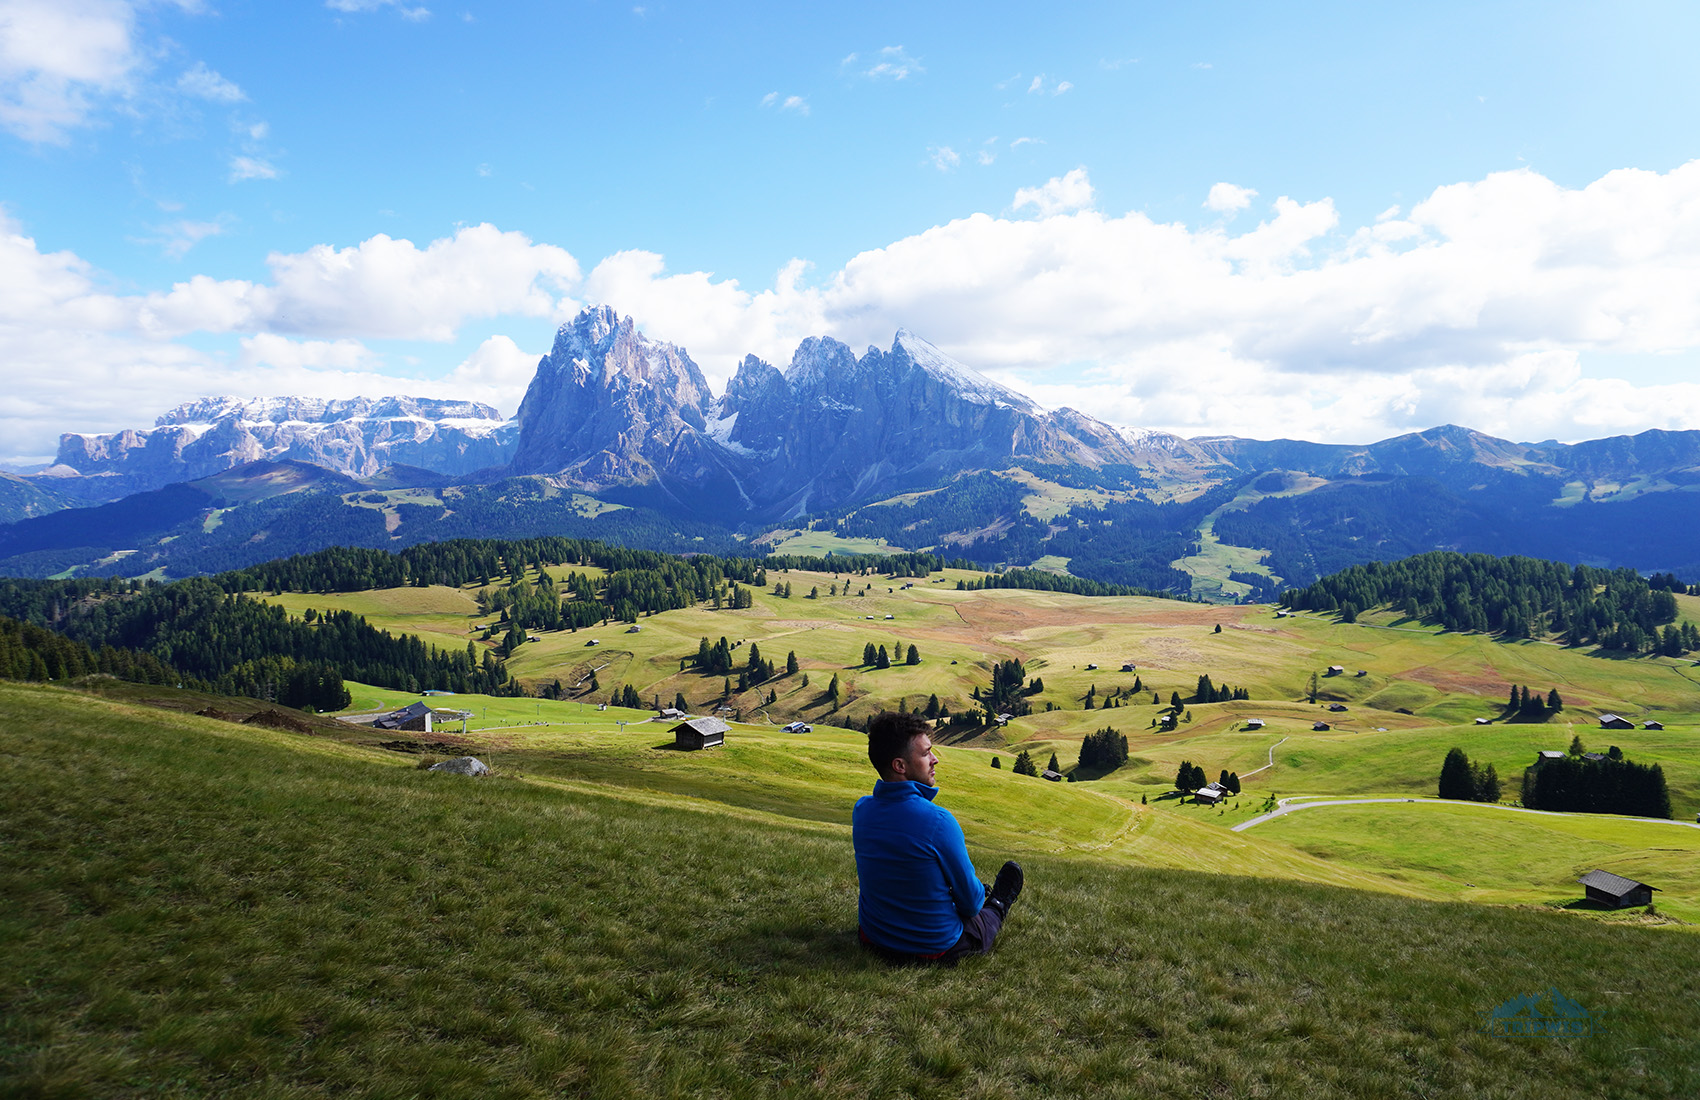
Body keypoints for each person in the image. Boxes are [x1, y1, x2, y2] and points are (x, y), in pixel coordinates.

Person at [852, 711, 1023, 964]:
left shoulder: (861, 810)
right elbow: (971, 903)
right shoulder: (938, 822)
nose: (934, 760)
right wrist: (976, 897)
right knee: (982, 918)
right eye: (925, 754)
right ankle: (999, 902)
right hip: (934, 947)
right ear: (900, 766)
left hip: (874, 938)